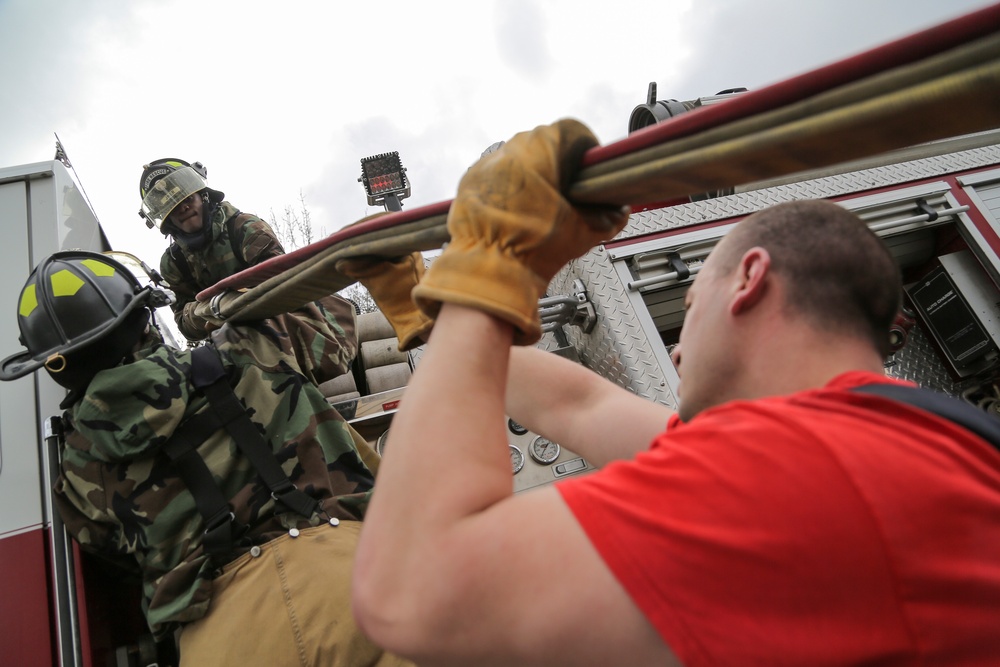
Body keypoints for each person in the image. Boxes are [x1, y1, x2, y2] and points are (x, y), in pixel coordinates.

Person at [350, 119, 1000, 666]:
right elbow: (576, 405)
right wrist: (439, 311)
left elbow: (410, 590)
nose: (677, 347)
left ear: (748, 280)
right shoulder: (878, 439)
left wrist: (491, 261)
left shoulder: (811, 471)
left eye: (689, 304)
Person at [0, 251, 411, 667]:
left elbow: (115, 560)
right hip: (356, 585)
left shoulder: (77, 467)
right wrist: (250, 298)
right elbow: (337, 326)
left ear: (55, 366)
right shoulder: (251, 345)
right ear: (142, 319)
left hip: (224, 643)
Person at [139, 158, 285, 341]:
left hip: (279, 323)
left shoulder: (246, 227)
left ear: (203, 196)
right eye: (172, 207)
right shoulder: (173, 263)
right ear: (168, 220)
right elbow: (185, 325)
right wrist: (212, 309)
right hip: (229, 343)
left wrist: (227, 302)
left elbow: (281, 283)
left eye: (188, 198)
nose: (183, 208)